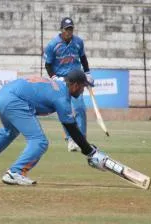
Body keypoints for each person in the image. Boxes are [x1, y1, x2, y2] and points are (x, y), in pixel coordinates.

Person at [0, 70, 108, 185]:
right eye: (83, 87)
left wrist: (88, 150)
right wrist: (90, 152)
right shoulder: (62, 98)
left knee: (9, 131)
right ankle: (15, 172)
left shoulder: (58, 85)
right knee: (39, 141)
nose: (82, 90)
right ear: (75, 85)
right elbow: (72, 129)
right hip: (14, 100)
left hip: (2, 96)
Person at [44, 17, 94, 152]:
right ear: (61, 30)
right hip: (62, 81)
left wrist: (88, 73)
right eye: (67, 29)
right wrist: (54, 78)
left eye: (71, 29)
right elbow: (48, 65)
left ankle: (81, 140)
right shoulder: (52, 45)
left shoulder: (78, 42)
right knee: (65, 110)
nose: (69, 32)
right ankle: (71, 140)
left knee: (80, 109)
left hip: (77, 79)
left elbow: (83, 58)